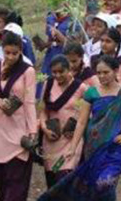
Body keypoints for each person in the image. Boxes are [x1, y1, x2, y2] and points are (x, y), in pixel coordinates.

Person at [38, 55, 121, 200]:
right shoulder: (91, 93)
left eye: (106, 72)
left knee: (105, 182)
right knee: (93, 186)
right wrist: (73, 147)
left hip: (116, 149)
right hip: (93, 148)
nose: (101, 76)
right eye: (99, 73)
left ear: (115, 71)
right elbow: (82, 122)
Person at [0, 32, 37, 201]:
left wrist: (32, 131)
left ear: (21, 51)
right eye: (7, 53)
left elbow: (29, 103)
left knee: (16, 185)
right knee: (0, 181)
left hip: (19, 130)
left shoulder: (27, 71)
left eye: (15, 53)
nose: (11, 56)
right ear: (2, 51)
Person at [38, 55, 87, 188]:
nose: (58, 75)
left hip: (71, 139)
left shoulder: (81, 88)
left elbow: (89, 112)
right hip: (52, 139)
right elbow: (43, 110)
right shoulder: (48, 84)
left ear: (69, 69)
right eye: (54, 72)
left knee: (65, 177)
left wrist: (77, 126)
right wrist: (44, 128)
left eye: (61, 71)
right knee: (53, 180)